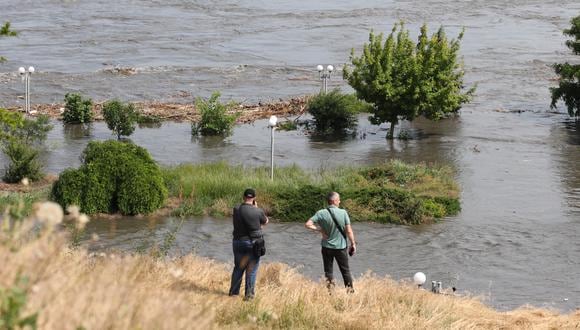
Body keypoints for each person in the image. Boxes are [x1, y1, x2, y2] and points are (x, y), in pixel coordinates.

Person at [305, 191, 356, 291]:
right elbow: (349, 231)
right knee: (345, 271)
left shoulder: (321, 213)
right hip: (340, 248)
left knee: (328, 272)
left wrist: (319, 230)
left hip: (326, 247)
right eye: (339, 199)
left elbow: (307, 224)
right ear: (334, 201)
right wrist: (353, 243)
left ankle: (331, 293)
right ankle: (350, 293)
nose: (340, 201)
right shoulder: (343, 213)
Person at [229, 188, 269, 299]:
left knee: (238, 268)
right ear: (254, 198)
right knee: (251, 270)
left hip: (237, 242)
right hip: (253, 243)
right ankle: (249, 296)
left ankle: (233, 294)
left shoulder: (236, 209)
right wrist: (255, 208)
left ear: (243, 197)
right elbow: (265, 222)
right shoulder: (258, 211)